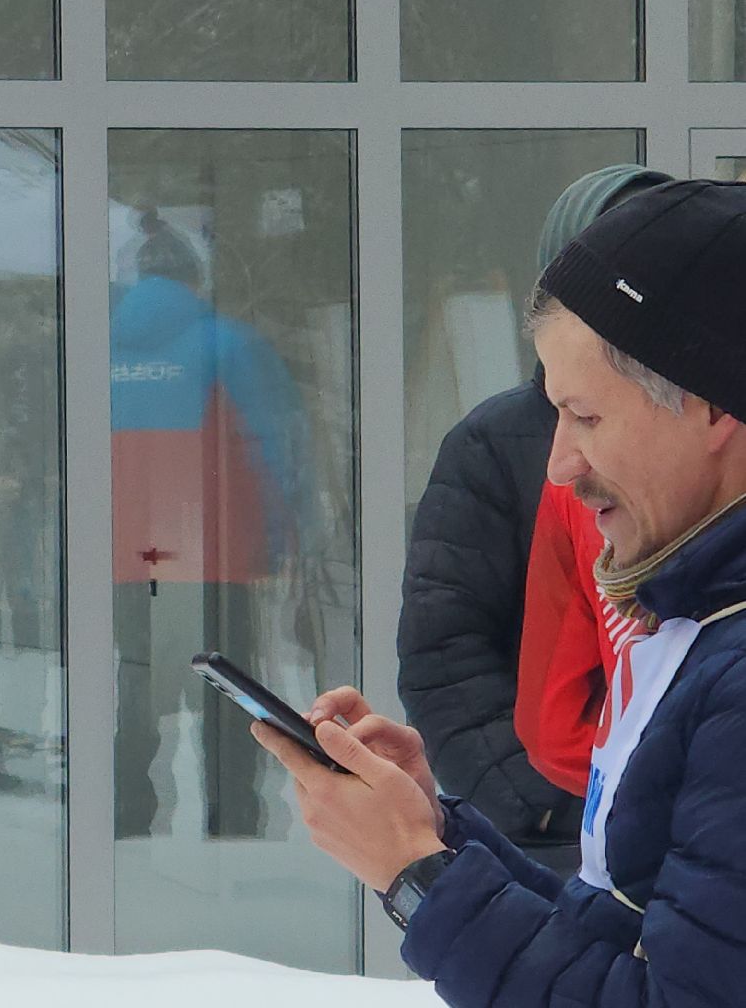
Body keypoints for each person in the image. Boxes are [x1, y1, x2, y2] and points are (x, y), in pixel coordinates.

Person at [259, 180, 746, 1002]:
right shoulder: (703, 622)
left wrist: (418, 874)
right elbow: (628, 936)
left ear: (709, 408)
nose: (559, 465)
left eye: (584, 417)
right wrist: (438, 838)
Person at [397, 165, 670, 870]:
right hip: (564, 828)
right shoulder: (497, 443)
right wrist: (542, 804)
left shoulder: (710, 431)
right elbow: (445, 653)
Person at [109, 211, 315, 839]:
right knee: (232, 689)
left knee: (136, 687)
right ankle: (236, 828)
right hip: (220, 553)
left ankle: (129, 826)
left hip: (125, 556)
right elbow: (271, 448)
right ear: (196, 280)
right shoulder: (229, 343)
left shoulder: (97, 352)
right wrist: (287, 538)